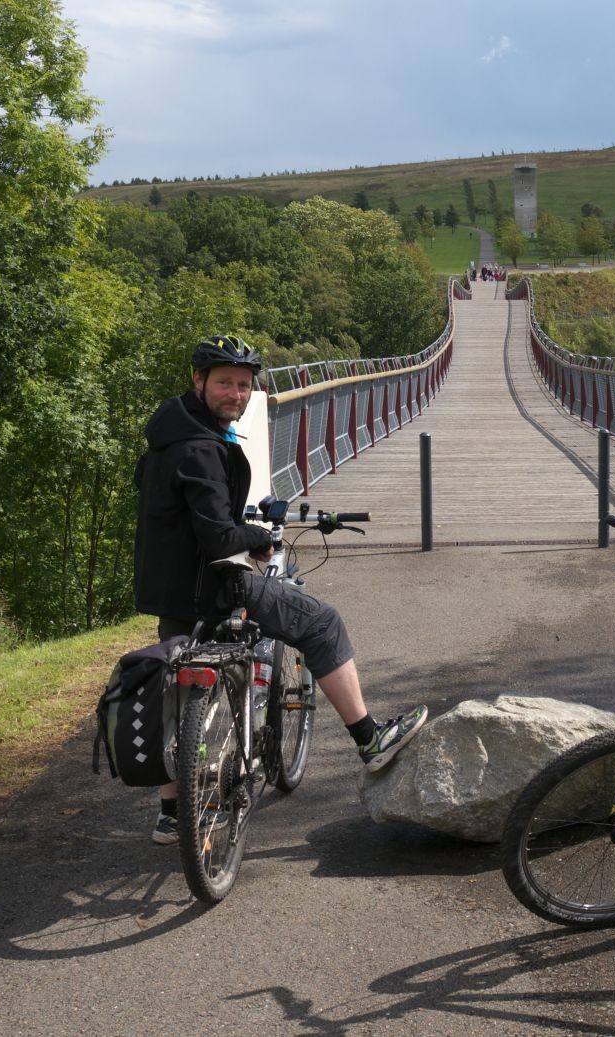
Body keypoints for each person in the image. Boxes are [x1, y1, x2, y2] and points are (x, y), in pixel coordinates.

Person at [133, 334, 427, 844]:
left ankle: (170, 813)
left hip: (170, 589)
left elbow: (190, 516)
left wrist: (231, 520)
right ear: (198, 380)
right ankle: (369, 738)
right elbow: (221, 537)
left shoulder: (171, 434)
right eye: (224, 382)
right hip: (212, 586)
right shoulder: (201, 449)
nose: (236, 394)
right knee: (319, 622)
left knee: (177, 687)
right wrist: (259, 536)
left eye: (245, 386)